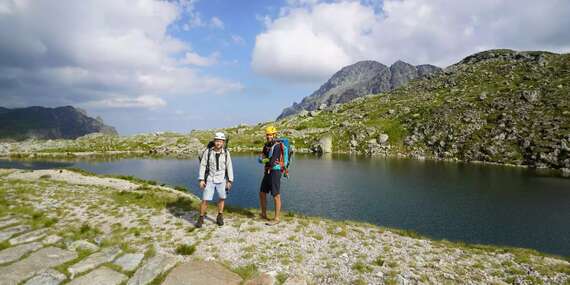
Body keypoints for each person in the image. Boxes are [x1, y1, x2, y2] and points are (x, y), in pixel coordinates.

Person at [197, 132, 233, 228]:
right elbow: (203, 165)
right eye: (217, 141)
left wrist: (230, 180)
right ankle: (201, 217)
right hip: (210, 179)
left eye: (220, 141)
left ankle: (219, 216)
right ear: (214, 141)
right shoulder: (208, 152)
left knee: (222, 198)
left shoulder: (226, 153)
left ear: (223, 142)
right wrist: (201, 179)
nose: (218, 143)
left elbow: (229, 166)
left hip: (222, 179)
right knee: (205, 199)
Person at [258, 126, 284, 225]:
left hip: (275, 172)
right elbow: (263, 154)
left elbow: (273, 161)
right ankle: (263, 214)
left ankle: (276, 218)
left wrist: (262, 160)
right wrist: (262, 157)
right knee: (262, 192)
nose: (268, 136)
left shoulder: (277, 146)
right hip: (267, 171)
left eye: (270, 134)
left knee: (276, 195)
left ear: (274, 135)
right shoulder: (266, 145)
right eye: (267, 134)